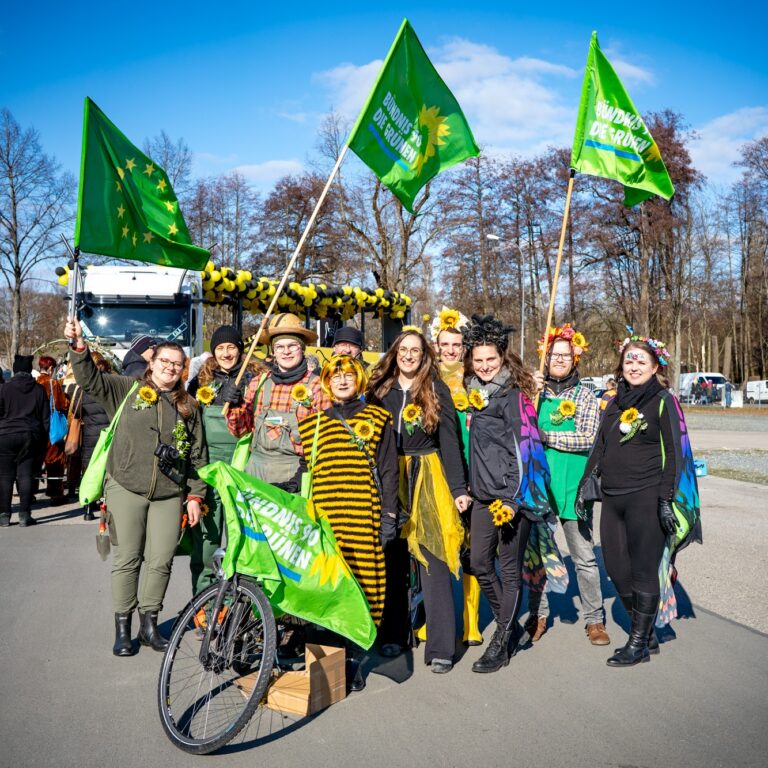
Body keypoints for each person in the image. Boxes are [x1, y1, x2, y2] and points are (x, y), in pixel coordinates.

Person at [65, 316, 207, 657]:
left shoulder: (188, 406)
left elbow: (199, 455)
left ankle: (149, 626)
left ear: (183, 369)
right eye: (165, 362)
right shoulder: (126, 390)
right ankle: (123, 629)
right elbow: (88, 378)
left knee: (160, 560)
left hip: (169, 495)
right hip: (126, 488)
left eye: (177, 364)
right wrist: (78, 347)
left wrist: (195, 494)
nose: (171, 369)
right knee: (127, 558)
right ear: (152, 363)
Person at [576, 333, 700, 666]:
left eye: (640, 360)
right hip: (613, 500)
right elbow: (601, 445)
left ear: (655, 366)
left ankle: (639, 644)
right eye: (629, 359)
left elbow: (675, 454)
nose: (633, 365)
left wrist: (665, 500)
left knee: (644, 572)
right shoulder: (615, 401)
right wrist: (584, 485)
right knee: (617, 570)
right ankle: (644, 634)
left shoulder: (663, 400)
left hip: (647, 498)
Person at [367, 327, 470, 674]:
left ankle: (441, 646)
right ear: (395, 353)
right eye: (403, 350)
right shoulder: (379, 390)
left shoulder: (435, 390)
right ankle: (395, 633)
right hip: (388, 476)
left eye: (416, 350)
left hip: (427, 475)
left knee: (432, 561)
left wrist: (458, 490)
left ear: (425, 356)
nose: (409, 355)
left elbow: (450, 443)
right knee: (392, 559)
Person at [296, 354, 399, 690]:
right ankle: (328, 661)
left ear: (359, 380)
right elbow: (306, 473)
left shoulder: (378, 417)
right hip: (326, 520)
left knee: (362, 587)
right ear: (327, 382)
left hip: (364, 515)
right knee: (328, 588)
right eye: (335, 376)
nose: (342, 381)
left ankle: (354, 658)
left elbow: (388, 470)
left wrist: (389, 517)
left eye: (349, 376)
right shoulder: (314, 423)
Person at [462, 315, 557, 673]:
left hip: (510, 499)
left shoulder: (514, 396)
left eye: (492, 359)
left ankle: (501, 641)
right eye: (479, 360)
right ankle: (510, 621)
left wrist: (516, 497)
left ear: (503, 357)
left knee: (509, 569)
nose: (485, 366)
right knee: (480, 563)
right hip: (483, 496)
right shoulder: (475, 394)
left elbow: (528, 450)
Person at [529, 324, 609, 646]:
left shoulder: (586, 396)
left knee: (585, 559)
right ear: (545, 358)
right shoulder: (535, 394)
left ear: (575, 359)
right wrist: (526, 394)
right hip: (541, 490)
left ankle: (594, 620)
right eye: (553, 355)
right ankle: (540, 615)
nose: (559, 360)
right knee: (540, 556)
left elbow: (587, 438)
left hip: (575, 493)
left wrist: (547, 436)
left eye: (565, 355)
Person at [187, 326, 264, 594]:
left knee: (239, 540)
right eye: (221, 348)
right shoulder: (201, 380)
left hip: (242, 465)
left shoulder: (255, 378)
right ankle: (203, 605)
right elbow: (190, 421)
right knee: (207, 541)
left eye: (231, 347)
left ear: (241, 350)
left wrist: (244, 400)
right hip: (209, 467)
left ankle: (237, 604)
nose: (226, 353)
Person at [223, 313, 331, 488]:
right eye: (279, 347)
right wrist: (236, 405)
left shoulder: (318, 386)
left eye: (292, 346)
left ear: (302, 348)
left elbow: (326, 440)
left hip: (295, 475)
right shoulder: (259, 383)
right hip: (256, 473)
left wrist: (301, 475)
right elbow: (239, 431)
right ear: (273, 351)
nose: (286, 351)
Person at [430, 306, 483, 647]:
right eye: (444, 344)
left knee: (471, 546)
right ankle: (430, 618)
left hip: (474, 469)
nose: (450, 350)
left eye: (456, 345)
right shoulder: (426, 377)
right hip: (436, 470)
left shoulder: (475, 378)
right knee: (434, 545)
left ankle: (471, 620)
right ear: (436, 346)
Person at [0, 355, 49, 527]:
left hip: (5, 434)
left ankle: (4, 515)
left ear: (14, 370)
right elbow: (45, 419)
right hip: (29, 435)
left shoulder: (4, 389)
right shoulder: (39, 390)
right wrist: (43, 442)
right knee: (25, 475)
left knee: (5, 476)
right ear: (29, 370)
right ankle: (24, 514)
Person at [36, 355, 69, 505]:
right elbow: (62, 404)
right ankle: (56, 494)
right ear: (50, 368)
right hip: (51, 428)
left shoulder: (35, 382)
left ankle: (29, 493)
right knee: (54, 461)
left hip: (35, 428)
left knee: (34, 461)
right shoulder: (52, 383)